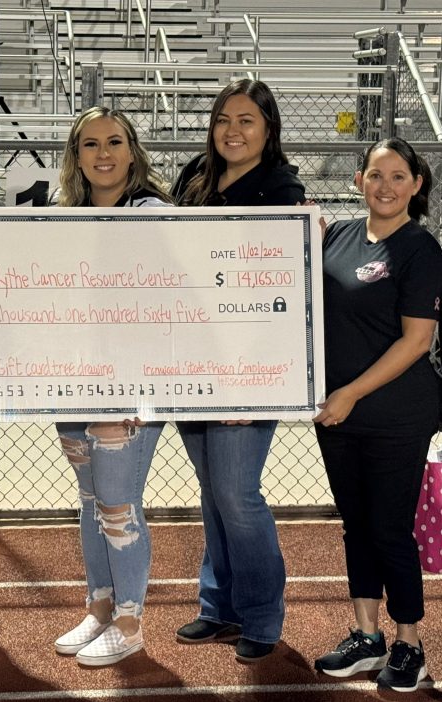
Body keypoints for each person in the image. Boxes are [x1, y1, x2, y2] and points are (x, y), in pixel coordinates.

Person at [173, 80, 305, 663]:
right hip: (188, 358)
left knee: (236, 491)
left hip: (250, 367)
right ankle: (218, 606)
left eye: (247, 120)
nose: (233, 130)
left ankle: (260, 615)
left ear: (268, 128)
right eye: (224, 119)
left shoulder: (282, 188)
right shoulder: (192, 178)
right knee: (212, 493)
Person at [310, 138, 442, 692]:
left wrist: (349, 393)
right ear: (359, 180)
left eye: (397, 176)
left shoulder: (420, 249)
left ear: (416, 185)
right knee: (355, 525)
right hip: (337, 414)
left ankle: (410, 642)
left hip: (393, 413)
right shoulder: (336, 235)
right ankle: (367, 635)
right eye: (375, 175)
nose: (384, 187)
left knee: (389, 529)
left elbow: (416, 342)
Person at [51, 106, 172, 666]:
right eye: (90, 144)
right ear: (76, 155)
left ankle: (130, 620)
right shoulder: (60, 215)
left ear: (132, 151)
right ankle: (100, 608)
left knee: (119, 504)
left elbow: (167, 297)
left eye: (115, 142)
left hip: (132, 382)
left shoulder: (152, 212)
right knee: (90, 501)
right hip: (73, 378)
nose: (103, 153)